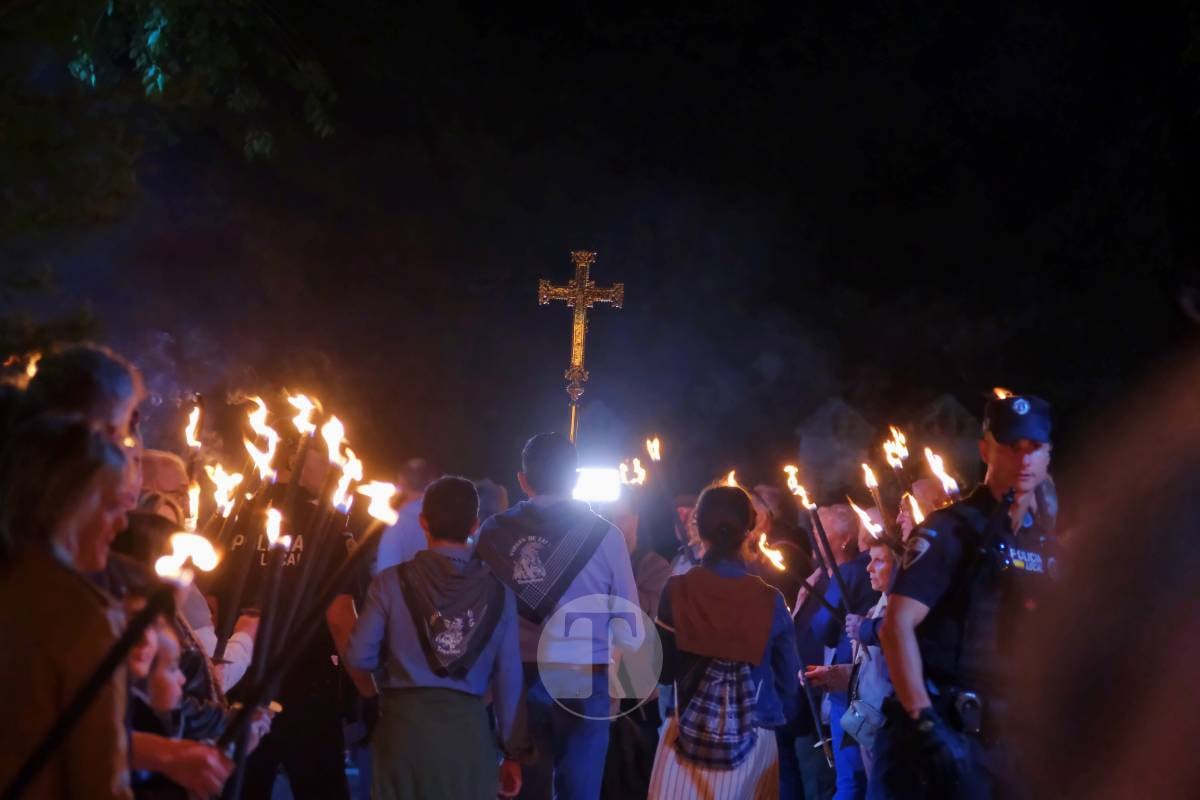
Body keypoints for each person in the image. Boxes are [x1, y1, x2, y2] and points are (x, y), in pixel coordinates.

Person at [877, 393, 1058, 798]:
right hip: (940, 729)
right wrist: (924, 721)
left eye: (1034, 448)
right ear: (985, 450)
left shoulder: (1045, 544)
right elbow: (896, 626)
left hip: (1007, 742)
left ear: (1048, 455)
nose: (1024, 459)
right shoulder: (950, 530)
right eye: (1012, 447)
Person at [475, 432, 639, 800]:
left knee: (525, 791)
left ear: (523, 480)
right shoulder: (606, 536)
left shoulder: (492, 534)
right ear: (576, 478)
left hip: (517, 680)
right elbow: (629, 623)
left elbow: (477, 611)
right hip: (585, 676)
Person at [349, 476, 528, 798]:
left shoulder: (389, 583)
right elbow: (509, 680)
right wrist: (513, 754)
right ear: (475, 525)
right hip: (467, 733)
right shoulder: (499, 594)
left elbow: (359, 656)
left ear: (423, 522)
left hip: (402, 730)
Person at [0, 414, 137, 799]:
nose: (123, 525)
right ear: (71, 504)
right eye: (112, 506)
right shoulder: (83, 618)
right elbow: (100, 783)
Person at [647, 484, 800, 799]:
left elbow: (660, 671)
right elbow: (789, 682)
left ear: (699, 528)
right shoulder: (770, 599)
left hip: (686, 733)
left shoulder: (677, 590)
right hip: (757, 733)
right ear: (749, 529)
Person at [805, 503, 880, 800]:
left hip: (850, 683)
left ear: (846, 538)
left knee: (850, 778)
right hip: (868, 679)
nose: (814, 537)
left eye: (820, 531)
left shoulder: (849, 571)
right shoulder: (869, 568)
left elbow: (823, 629)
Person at [842, 539, 898, 793]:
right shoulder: (875, 610)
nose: (869, 568)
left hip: (891, 728)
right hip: (868, 725)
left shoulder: (901, 613)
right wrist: (832, 675)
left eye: (879, 561)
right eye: (870, 560)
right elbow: (868, 672)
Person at [374, 457, 439, 573]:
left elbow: (385, 574)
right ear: (433, 481)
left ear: (401, 481)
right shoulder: (453, 519)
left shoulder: (397, 525)